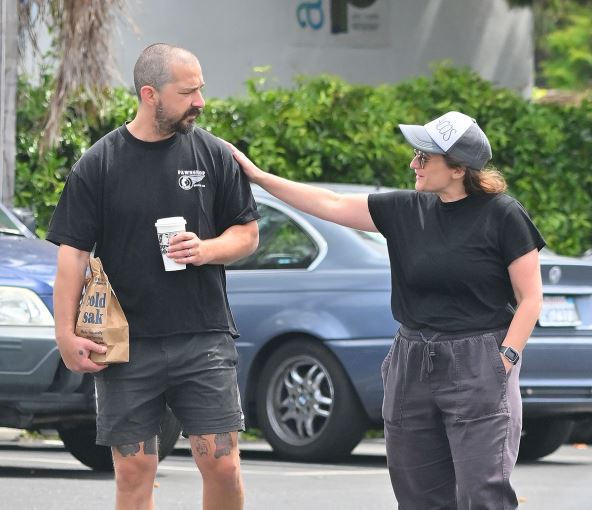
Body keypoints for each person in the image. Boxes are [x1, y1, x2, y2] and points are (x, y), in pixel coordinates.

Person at [229, 111, 544, 510]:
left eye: (424, 157)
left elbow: (530, 298)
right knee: (417, 496)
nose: (414, 163)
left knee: (483, 495)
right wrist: (258, 176)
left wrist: (505, 359)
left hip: (477, 358)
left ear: (458, 169)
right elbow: (329, 202)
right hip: (412, 360)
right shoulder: (405, 210)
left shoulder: (503, 214)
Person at [47, 43, 259, 510]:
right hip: (126, 346)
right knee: (134, 470)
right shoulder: (99, 164)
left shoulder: (213, 154)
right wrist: (64, 334)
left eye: (200, 89)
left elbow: (247, 234)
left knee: (222, 465)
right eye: (187, 93)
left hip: (203, 339)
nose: (200, 101)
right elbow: (72, 256)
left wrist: (206, 249)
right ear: (150, 94)